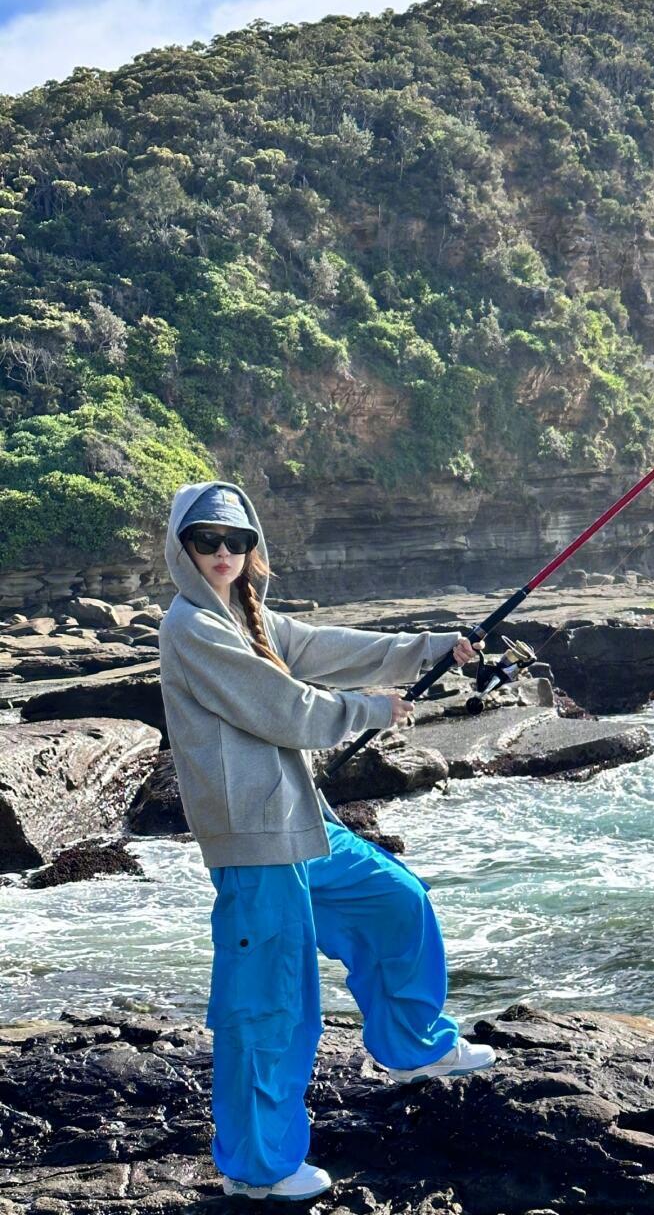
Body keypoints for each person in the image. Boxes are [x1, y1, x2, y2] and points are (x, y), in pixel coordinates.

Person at [158, 480, 492, 1203]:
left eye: (237, 541)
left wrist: (432, 648)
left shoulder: (246, 616)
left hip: (306, 828)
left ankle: (411, 1047)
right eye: (207, 540)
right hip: (256, 847)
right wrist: (364, 713)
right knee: (271, 1006)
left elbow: (330, 649)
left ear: (254, 549)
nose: (223, 553)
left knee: (395, 901)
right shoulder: (192, 626)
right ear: (182, 547)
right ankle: (260, 1169)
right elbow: (280, 707)